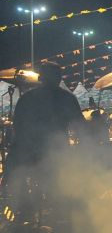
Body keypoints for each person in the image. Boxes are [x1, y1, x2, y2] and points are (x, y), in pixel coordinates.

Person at [4, 62, 85, 218]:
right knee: (57, 190)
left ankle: (26, 212)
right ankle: (56, 217)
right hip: (57, 154)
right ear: (59, 78)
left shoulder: (27, 98)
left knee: (18, 178)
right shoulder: (67, 98)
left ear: (40, 78)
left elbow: (17, 128)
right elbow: (80, 127)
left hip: (29, 153)